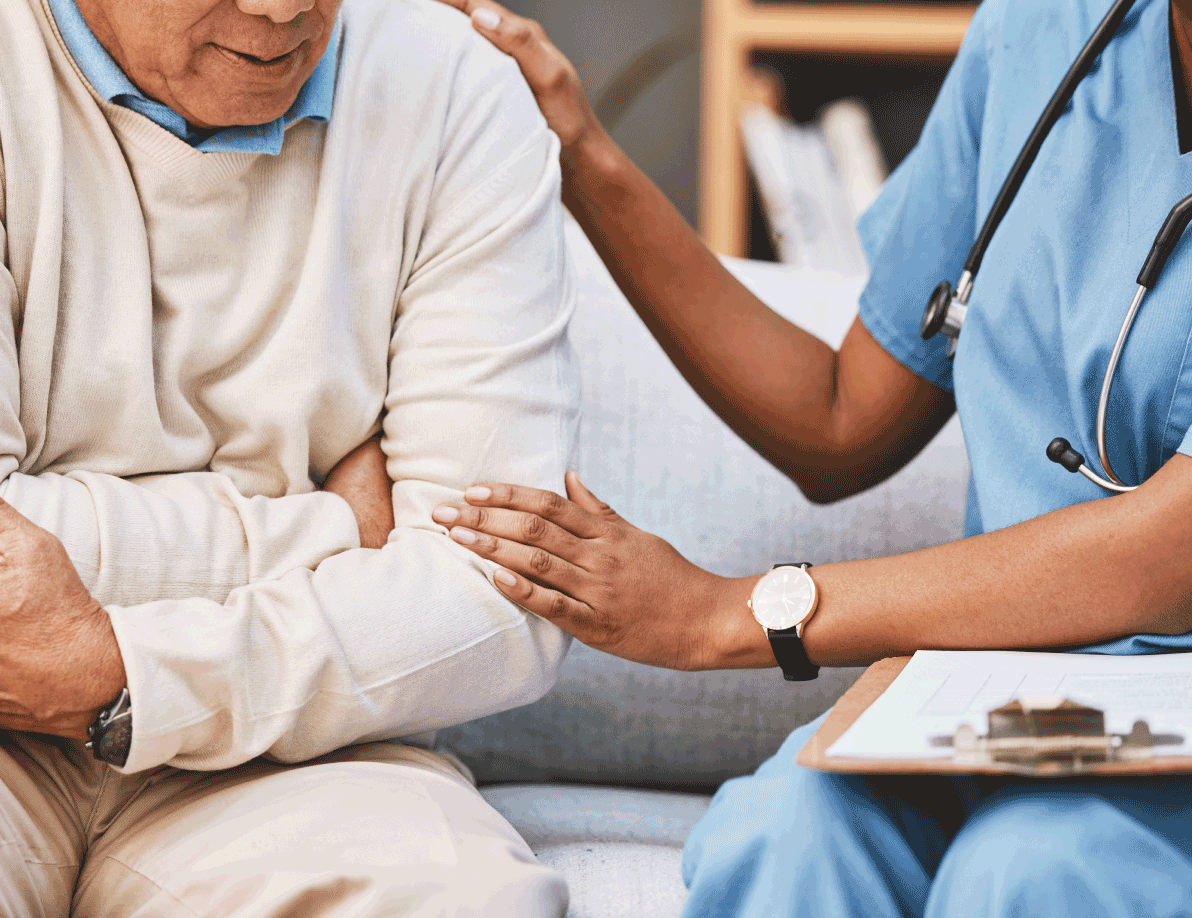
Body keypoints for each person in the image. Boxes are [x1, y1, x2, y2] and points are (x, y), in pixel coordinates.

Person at [430, 0, 1192, 913]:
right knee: (786, 833)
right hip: (998, 685)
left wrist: (720, 613)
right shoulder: (1047, 32)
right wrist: (582, 155)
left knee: (1035, 873)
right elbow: (841, 418)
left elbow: (1167, 550)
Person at [0, 0, 580, 914]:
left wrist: (127, 676)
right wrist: (346, 529)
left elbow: (504, 593)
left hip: (308, 751)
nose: (282, 7)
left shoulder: (455, 83)